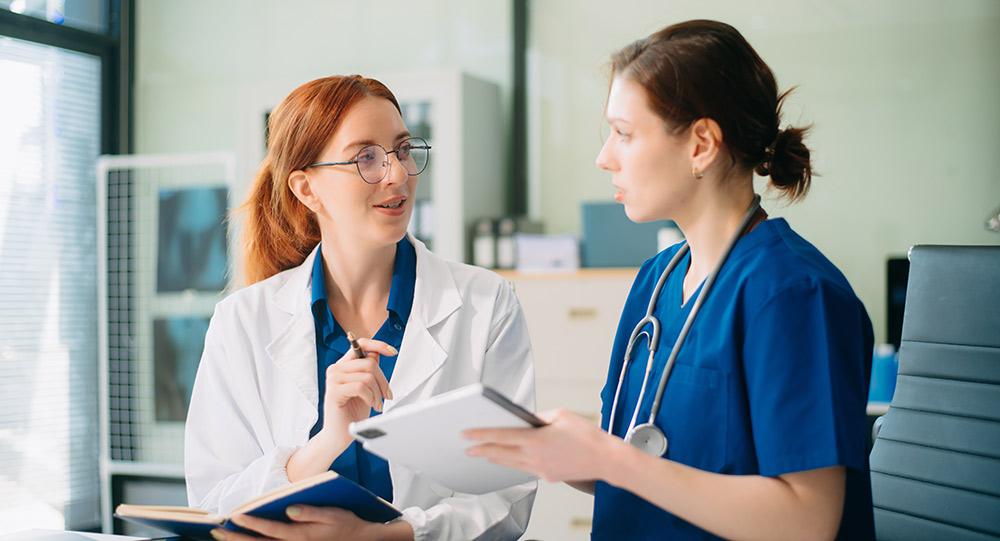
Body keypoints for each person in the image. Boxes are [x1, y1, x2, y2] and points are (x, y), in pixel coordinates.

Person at [465, 19, 875, 540]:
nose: (603, 156)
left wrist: (611, 459)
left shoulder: (792, 295)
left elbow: (806, 522)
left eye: (624, 133)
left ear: (701, 144)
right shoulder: (657, 281)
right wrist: (555, 451)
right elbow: (642, 459)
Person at [183, 75, 536, 541]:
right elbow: (213, 502)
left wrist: (388, 537)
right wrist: (327, 443)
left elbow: (507, 497)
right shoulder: (242, 323)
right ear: (307, 190)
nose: (397, 174)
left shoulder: (485, 305)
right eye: (365, 157)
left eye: (403, 149)